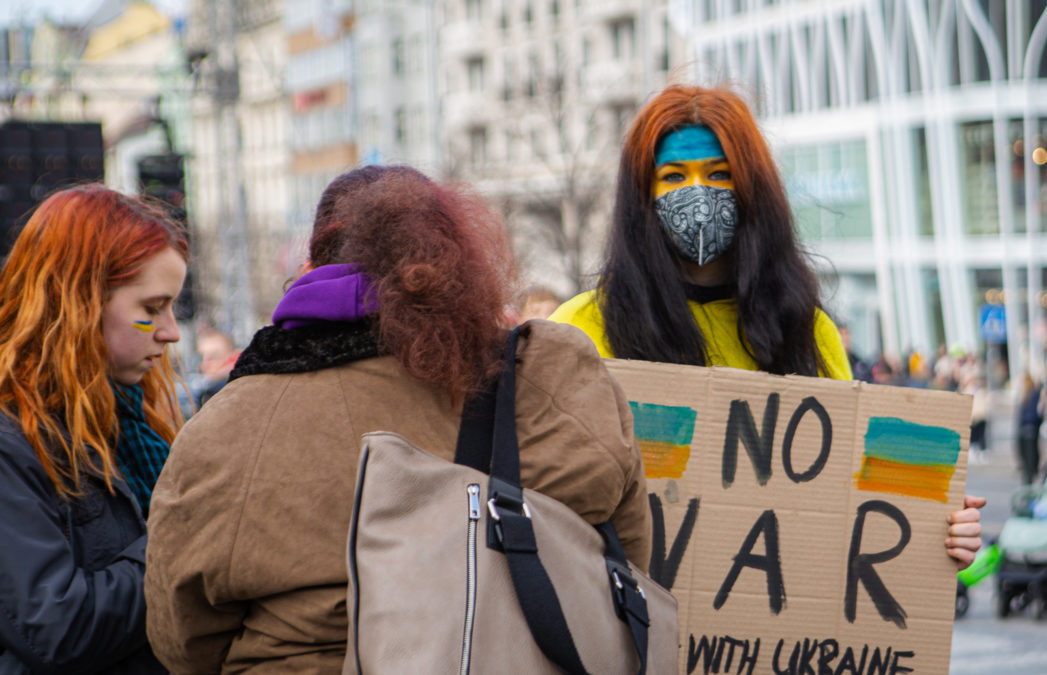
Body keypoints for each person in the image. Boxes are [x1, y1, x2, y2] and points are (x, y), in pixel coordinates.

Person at [144, 165, 651, 671]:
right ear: (456, 251)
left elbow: (179, 637)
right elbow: (627, 559)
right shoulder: (556, 373)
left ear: (313, 265)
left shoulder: (228, 426)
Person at [548, 84, 983, 568]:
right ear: (642, 195)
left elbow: (858, 491)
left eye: (719, 174)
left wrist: (938, 531)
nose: (699, 193)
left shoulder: (807, 329)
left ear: (751, 186)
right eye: (673, 176)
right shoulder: (579, 329)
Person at [0, 185, 188, 673]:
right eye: (151, 309)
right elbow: (53, 629)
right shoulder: (12, 439)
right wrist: (185, 536)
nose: (170, 331)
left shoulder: (128, 420)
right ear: (79, 301)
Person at [192, 326, 239, 408]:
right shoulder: (206, 388)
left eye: (213, 357)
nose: (205, 364)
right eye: (200, 358)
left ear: (231, 357)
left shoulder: (218, 391)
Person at [1016, 373, 1044, 485]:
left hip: (1029, 426)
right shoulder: (1026, 395)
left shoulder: (1032, 394)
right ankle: (1029, 476)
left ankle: (1030, 476)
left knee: (1030, 454)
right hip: (1029, 427)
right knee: (1029, 454)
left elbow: (1035, 413)